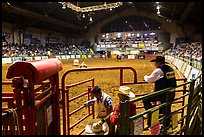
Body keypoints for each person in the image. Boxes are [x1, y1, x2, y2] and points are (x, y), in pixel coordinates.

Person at [142, 56, 177, 129]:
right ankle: (166, 125)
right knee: (167, 108)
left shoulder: (159, 70)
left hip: (163, 93)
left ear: (158, 63)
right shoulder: (170, 69)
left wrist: (145, 77)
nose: (154, 64)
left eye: (155, 63)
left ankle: (153, 113)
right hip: (171, 93)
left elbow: (150, 79)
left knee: (146, 99)